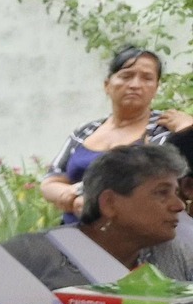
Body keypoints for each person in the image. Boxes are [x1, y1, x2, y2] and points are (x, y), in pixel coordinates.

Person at [0, 143, 193, 304]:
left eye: (176, 193)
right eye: (162, 193)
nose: (179, 205)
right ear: (110, 203)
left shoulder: (173, 254)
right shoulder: (36, 254)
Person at [39, 46, 193, 222]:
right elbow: (51, 180)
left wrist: (188, 131)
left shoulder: (163, 130)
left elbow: (147, 182)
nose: (135, 85)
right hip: (73, 232)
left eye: (147, 78)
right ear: (107, 85)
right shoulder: (86, 130)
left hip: (135, 234)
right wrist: (72, 198)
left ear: (156, 88)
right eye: (126, 76)